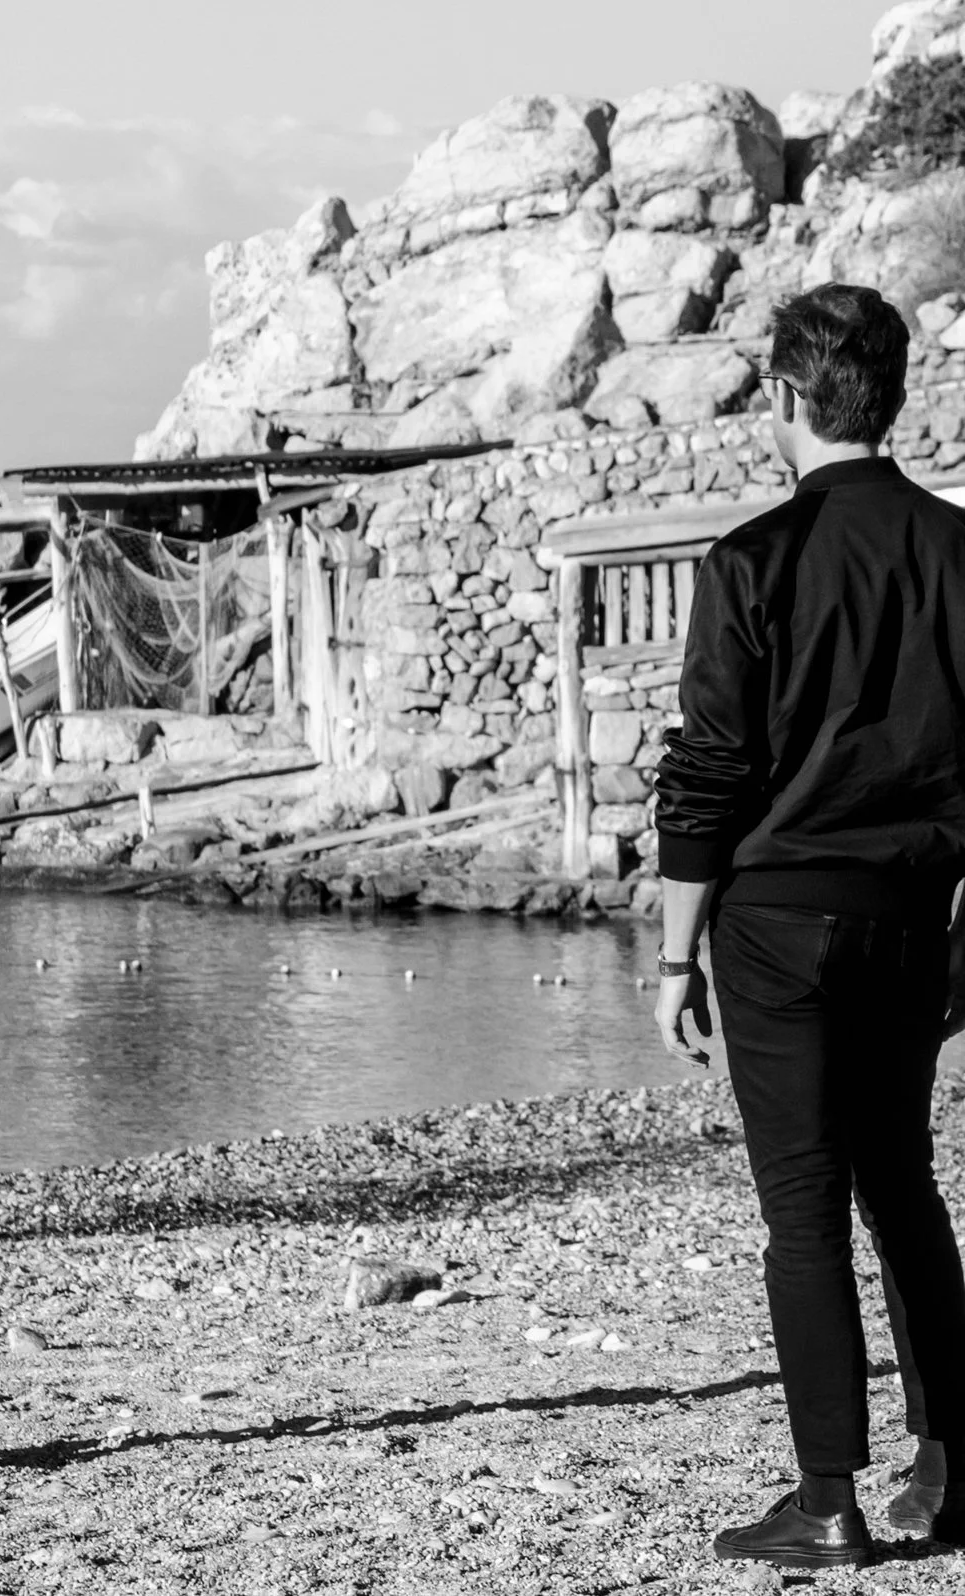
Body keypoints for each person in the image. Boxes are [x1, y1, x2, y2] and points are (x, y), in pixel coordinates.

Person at [654, 283, 965, 1569]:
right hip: (914, 914)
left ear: (786, 395)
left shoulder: (752, 559)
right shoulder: (959, 550)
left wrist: (673, 953)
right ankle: (948, 1468)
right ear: (887, 395)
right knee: (902, 1186)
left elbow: (708, 772)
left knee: (802, 1207)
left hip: (776, 920)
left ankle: (826, 1501)